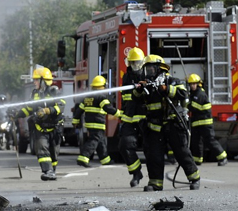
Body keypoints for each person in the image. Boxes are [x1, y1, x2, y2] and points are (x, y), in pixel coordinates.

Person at [133, 55, 200, 191]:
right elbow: (136, 100)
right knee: (154, 155)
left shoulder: (172, 81)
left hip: (173, 124)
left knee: (181, 152)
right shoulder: (147, 86)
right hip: (155, 127)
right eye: (147, 69)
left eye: (152, 69)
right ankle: (155, 183)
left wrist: (167, 89)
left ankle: (194, 178)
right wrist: (138, 90)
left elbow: (184, 93)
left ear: (159, 69)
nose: (149, 72)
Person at [16, 67, 65, 181]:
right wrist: (17, 114)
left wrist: (47, 110)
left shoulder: (54, 91)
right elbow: (29, 109)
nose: (34, 82)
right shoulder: (35, 94)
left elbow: (61, 106)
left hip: (55, 127)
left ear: (43, 80)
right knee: (42, 149)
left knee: (54, 153)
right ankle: (47, 171)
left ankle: (52, 171)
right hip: (40, 127)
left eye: (36, 80)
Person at [73, 75, 120, 168]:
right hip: (98, 123)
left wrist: (75, 121)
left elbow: (79, 110)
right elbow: (108, 109)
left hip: (90, 123)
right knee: (94, 141)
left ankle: (105, 159)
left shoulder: (87, 97)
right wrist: (121, 114)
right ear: (102, 86)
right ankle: (83, 157)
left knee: (101, 141)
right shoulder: (101, 97)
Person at [119, 47, 146, 187]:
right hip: (130, 118)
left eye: (138, 63)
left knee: (151, 149)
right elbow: (125, 99)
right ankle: (136, 173)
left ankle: (155, 180)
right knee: (124, 145)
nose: (135, 66)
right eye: (133, 63)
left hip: (146, 119)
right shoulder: (126, 77)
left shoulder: (147, 75)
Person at [187, 74, 228, 166]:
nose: (192, 86)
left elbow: (194, 107)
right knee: (196, 143)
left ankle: (222, 157)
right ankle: (197, 160)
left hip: (205, 123)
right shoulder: (193, 94)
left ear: (198, 84)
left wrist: (187, 103)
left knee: (210, 141)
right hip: (197, 123)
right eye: (190, 84)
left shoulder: (200, 94)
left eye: (194, 84)